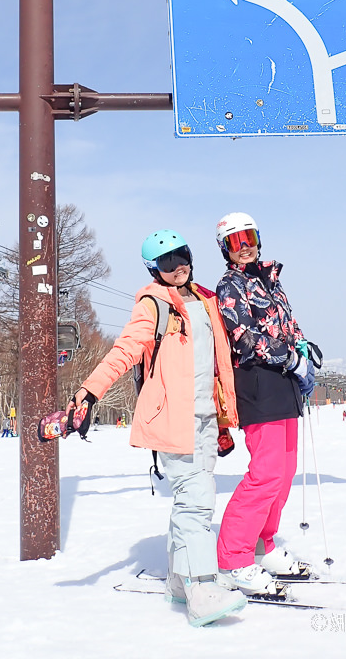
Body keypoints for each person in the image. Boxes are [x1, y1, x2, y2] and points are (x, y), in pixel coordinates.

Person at [67, 230, 246, 628]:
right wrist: (90, 391)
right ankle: (202, 586)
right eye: (167, 263)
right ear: (155, 270)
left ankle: (181, 582)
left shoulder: (204, 299)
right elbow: (125, 350)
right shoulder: (152, 306)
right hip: (171, 417)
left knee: (192, 498)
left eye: (181, 256)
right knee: (197, 500)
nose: (178, 266)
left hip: (205, 416)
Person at [214, 212, 315, 595]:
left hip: (284, 383)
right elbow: (245, 336)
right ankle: (234, 558)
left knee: (285, 471)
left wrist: (304, 348)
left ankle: (262, 544)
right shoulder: (230, 286)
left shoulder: (269, 280)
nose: (246, 246)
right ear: (225, 247)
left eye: (250, 237)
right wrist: (289, 357)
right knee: (266, 472)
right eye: (237, 241)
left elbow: (288, 324)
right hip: (258, 381)